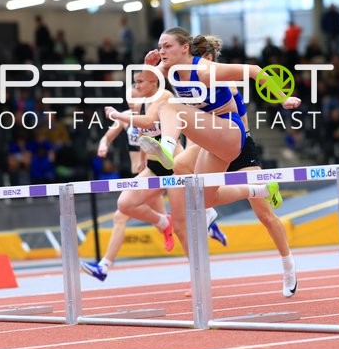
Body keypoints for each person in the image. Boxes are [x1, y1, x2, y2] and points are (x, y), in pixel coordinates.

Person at [168, 35, 299, 298]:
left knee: (265, 216)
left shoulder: (218, 78)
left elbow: (253, 75)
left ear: (208, 59)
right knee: (181, 163)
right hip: (212, 145)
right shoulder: (184, 79)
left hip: (239, 147)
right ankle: (209, 211)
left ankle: (288, 266)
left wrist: (282, 98)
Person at [137, 27, 289, 210]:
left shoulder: (204, 71)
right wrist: (147, 64)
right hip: (215, 140)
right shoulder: (167, 67)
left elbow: (254, 70)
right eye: (160, 47)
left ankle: (167, 147)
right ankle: (261, 190)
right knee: (203, 199)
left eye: (167, 46)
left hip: (230, 130)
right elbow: (148, 80)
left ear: (185, 48)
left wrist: (284, 98)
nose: (162, 51)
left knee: (167, 104)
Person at [80, 71, 184, 282]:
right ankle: (166, 223)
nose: (132, 103)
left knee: (181, 225)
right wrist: (102, 145)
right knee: (125, 209)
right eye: (129, 101)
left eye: (135, 99)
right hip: (149, 172)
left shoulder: (158, 108)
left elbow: (150, 128)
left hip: (174, 169)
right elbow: (114, 136)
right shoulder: (129, 119)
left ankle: (203, 221)